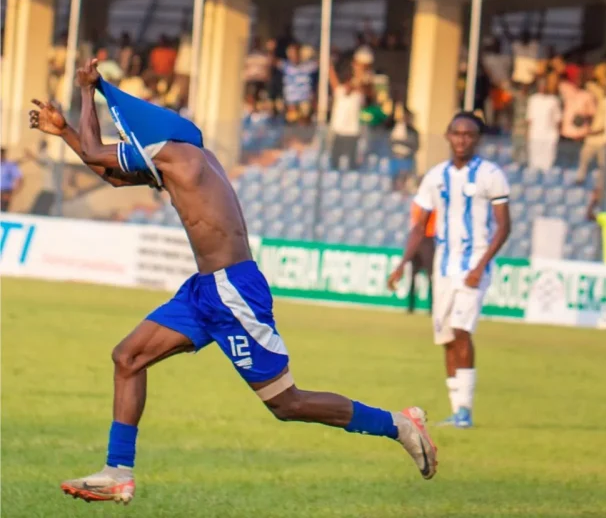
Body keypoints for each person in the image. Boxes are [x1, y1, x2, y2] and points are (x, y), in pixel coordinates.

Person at [30, 60, 438, 505]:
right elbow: (109, 175)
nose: (127, 139)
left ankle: (398, 425)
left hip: (233, 293)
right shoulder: (180, 156)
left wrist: (88, 92)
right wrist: (67, 130)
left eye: (129, 134)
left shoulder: (172, 154)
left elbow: (95, 153)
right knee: (127, 357)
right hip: (206, 290)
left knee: (287, 404)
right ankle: (118, 472)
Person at [387, 112, 512, 429]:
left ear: (478, 139)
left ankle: (465, 412)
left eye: (469, 134)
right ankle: (457, 410)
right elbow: (419, 226)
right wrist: (402, 264)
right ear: (447, 135)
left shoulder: (491, 175)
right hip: (443, 267)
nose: (462, 140)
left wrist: (481, 266)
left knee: (461, 330)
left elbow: (504, 226)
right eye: (457, 133)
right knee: (446, 337)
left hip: (475, 264)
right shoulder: (435, 176)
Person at [406, 203, 436, 315]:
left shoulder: (429, 203)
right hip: (418, 237)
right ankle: (410, 306)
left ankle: (432, 308)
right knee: (413, 275)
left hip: (428, 238)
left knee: (431, 277)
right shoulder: (416, 203)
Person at [0, 147, 23, 211]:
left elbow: (19, 178)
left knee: (3, 209)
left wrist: (14, 191)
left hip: (5, 191)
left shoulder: (10, 165)